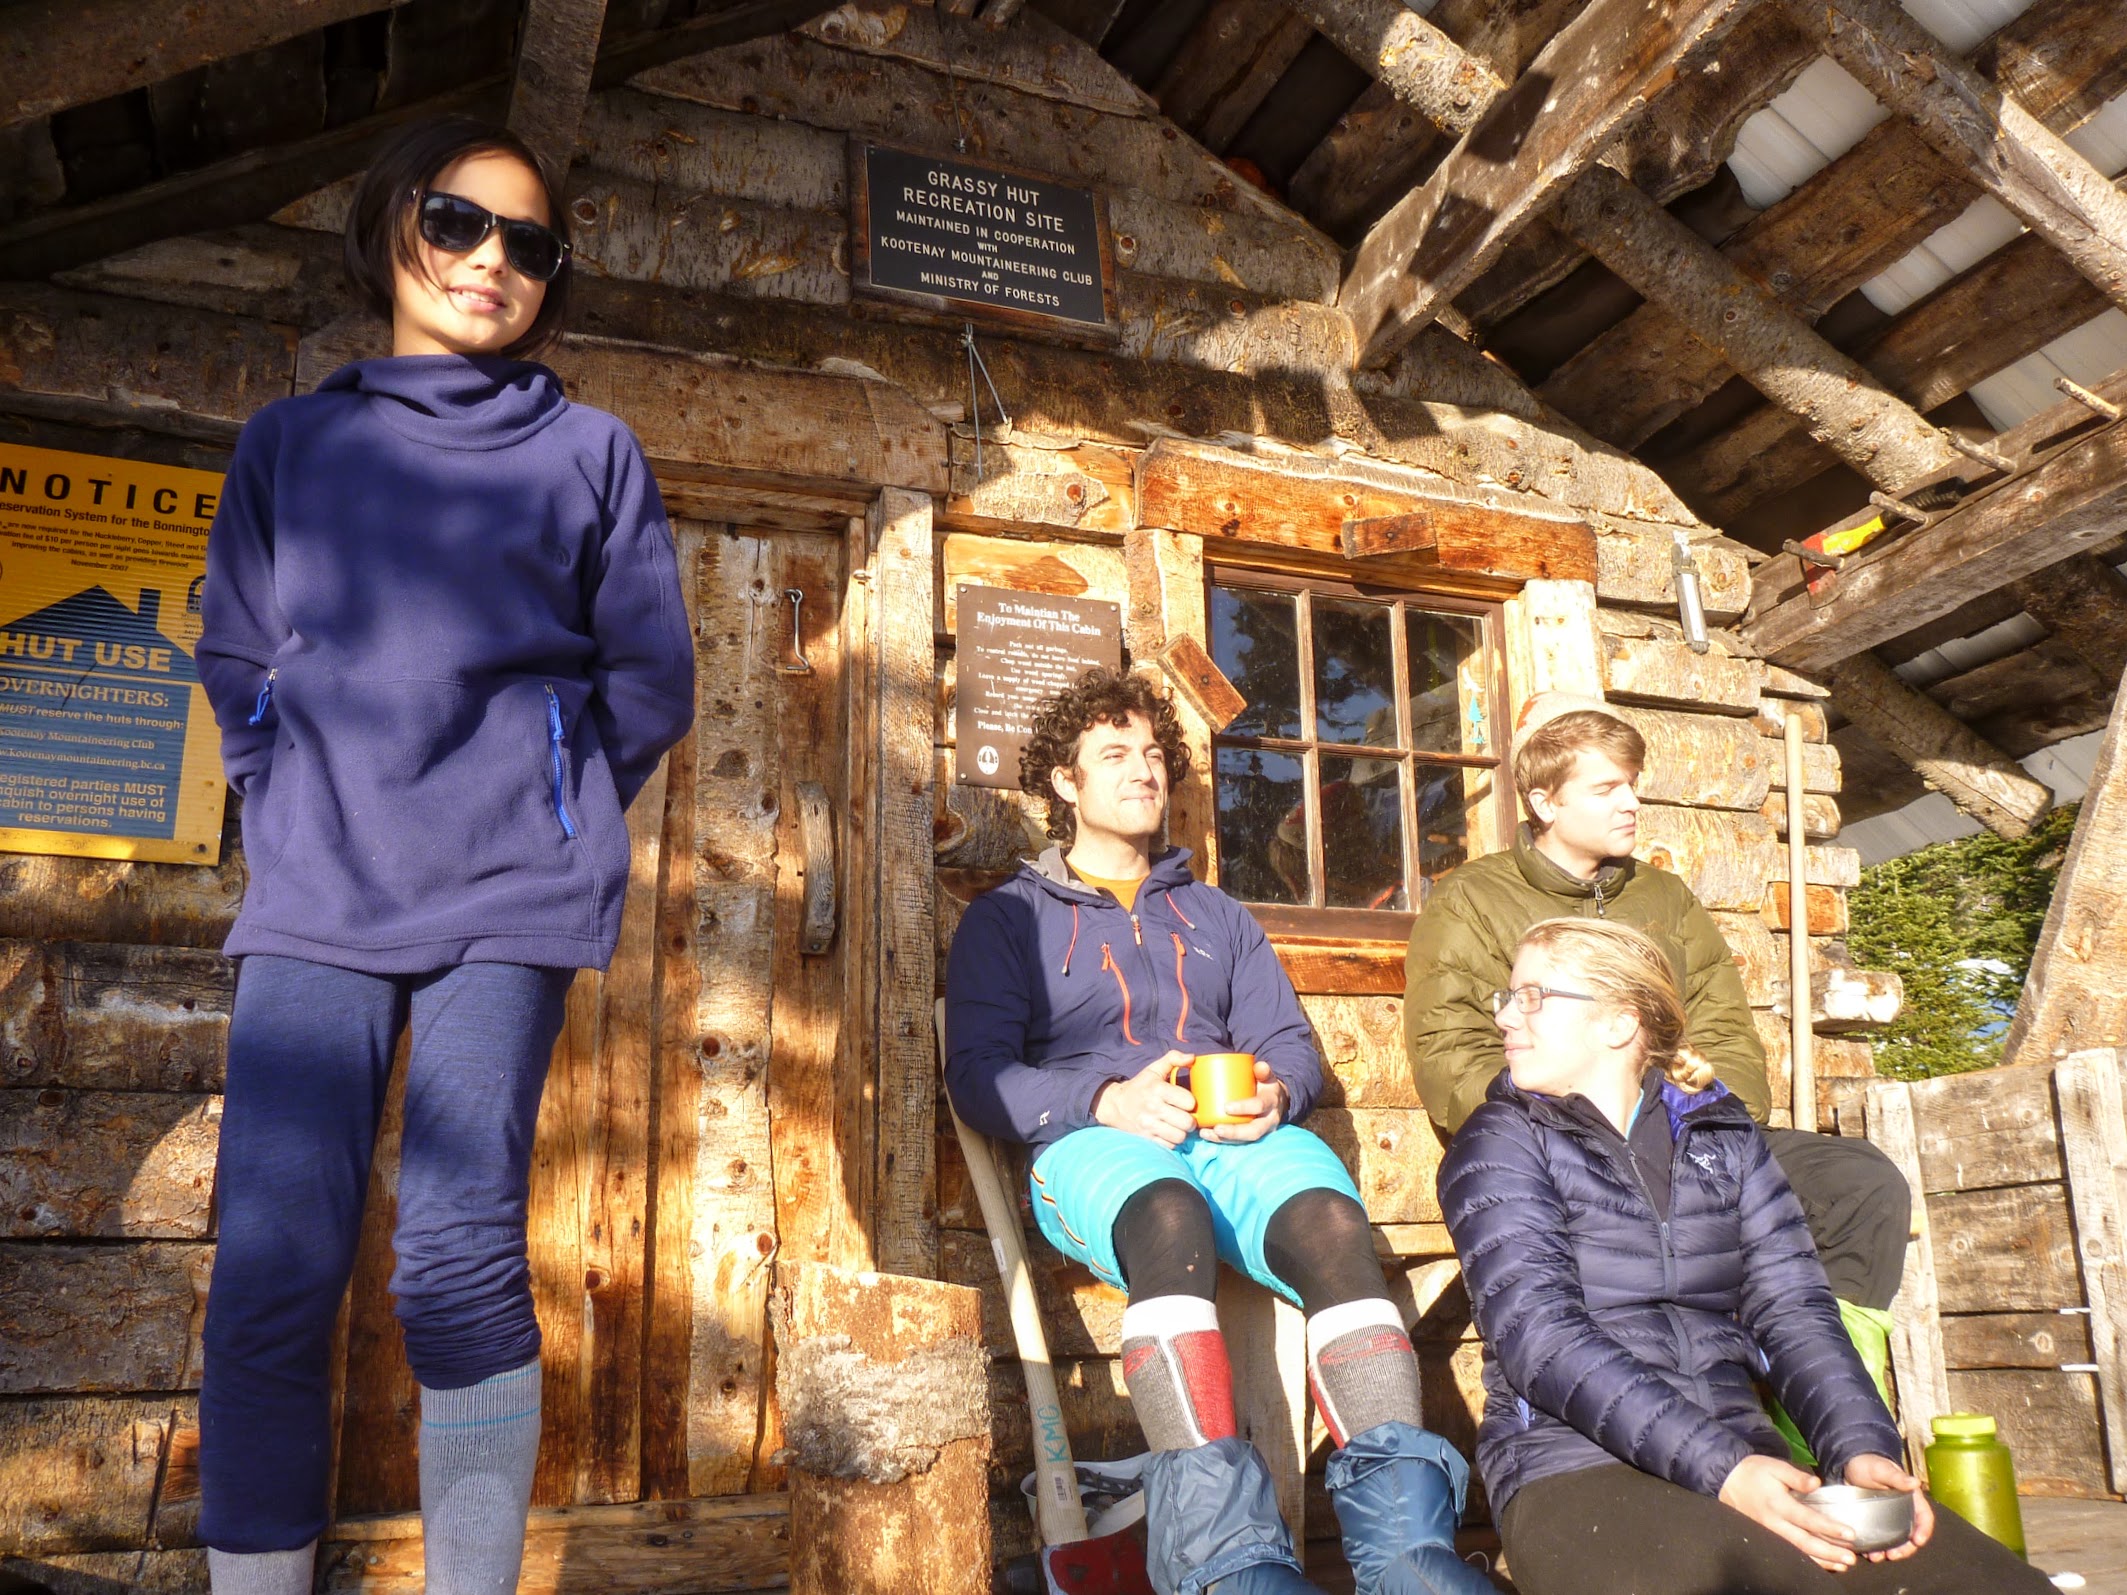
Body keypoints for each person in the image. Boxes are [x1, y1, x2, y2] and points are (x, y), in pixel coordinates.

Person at [193, 117, 695, 1595]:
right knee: (275, 1265)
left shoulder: (591, 452)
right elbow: (235, 655)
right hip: (318, 893)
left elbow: (648, 681)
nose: (491, 260)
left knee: (458, 1251)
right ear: (391, 228)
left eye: (527, 244)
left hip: (505, 899)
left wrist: (547, 808)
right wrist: (290, 799)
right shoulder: (295, 439)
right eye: (459, 223)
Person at [946, 667, 1492, 1595]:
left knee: (1330, 1220)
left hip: (1235, 1139)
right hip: (1096, 1147)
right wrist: (1106, 1101)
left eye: (1153, 754)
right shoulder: (1008, 917)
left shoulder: (1215, 913)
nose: (1143, 770)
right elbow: (979, 1076)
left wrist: (1277, 1095)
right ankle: (1229, 1562)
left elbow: (1287, 1044)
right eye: (1113, 754)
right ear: (1064, 783)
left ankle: (1407, 1554)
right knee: (1167, 1212)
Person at [1437, 917, 2050, 1594]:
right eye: (1508, 995)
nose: (1503, 1017)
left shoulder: (1722, 1135)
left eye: (1533, 997)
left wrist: (1857, 1446)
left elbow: (1793, 1308)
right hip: (1572, 1467)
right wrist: (1725, 1470)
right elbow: (1540, 1339)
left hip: (1741, 1453)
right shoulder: (1500, 1141)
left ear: (1618, 1022)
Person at [1404, 693, 1910, 1426]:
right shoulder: (1471, 902)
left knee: (1861, 1182)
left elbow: (1726, 1030)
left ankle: (1823, 1420)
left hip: (1688, 1139)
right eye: (1606, 787)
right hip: (1561, 1153)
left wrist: (1693, 1118)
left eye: (1633, 784)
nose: (1631, 802)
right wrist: (1565, 1130)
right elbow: (1450, 1051)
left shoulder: (1664, 898)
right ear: (1544, 801)